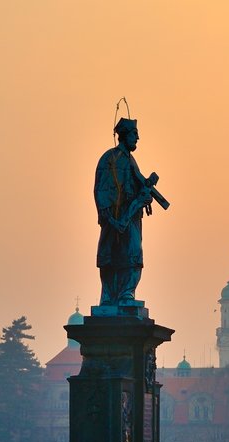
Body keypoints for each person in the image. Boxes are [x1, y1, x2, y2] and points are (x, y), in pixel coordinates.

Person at [94, 117, 158, 307]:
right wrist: (109, 217)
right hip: (114, 217)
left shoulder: (132, 161)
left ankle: (126, 294)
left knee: (133, 255)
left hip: (131, 217)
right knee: (110, 257)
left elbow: (136, 185)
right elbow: (101, 189)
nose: (137, 139)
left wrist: (144, 194)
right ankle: (108, 296)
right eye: (134, 135)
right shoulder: (110, 158)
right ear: (125, 135)